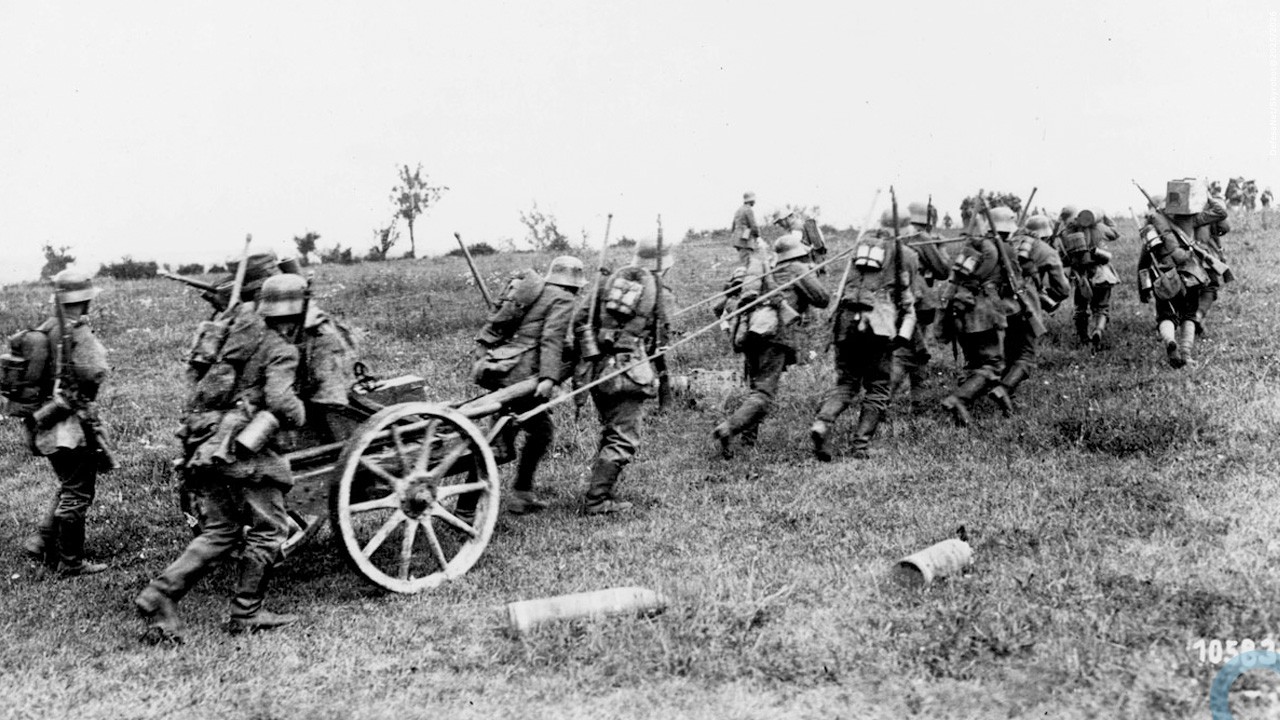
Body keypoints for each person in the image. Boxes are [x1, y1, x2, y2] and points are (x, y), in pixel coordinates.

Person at [135, 273, 310, 642]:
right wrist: (299, 413)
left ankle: (160, 594)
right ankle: (246, 613)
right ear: (297, 311)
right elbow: (280, 402)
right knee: (270, 529)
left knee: (221, 530)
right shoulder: (282, 349)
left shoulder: (233, 332)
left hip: (205, 442)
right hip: (246, 450)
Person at [14, 270, 112, 576]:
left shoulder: (46, 329)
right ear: (84, 301)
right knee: (79, 492)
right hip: (68, 425)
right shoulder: (76, 332)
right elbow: (95, 372)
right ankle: (70, 562)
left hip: (42, 422)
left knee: (69, 483)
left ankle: (42, 541)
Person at [470, 256, 583, 514]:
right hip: (522, 376)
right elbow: (550, 339)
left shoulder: (535, 291)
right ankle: (475, 506)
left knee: (513, 435)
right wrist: (548, 378)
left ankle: (520, 495)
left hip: (501, 368)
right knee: (524, 439)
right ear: (574, 284)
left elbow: (526, 334)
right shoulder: (564, 299)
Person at [572, 238, 672, 513]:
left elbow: (580, 321)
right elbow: (661, 336)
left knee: (611, 429)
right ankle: (597, 500)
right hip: (629, 373)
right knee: (624, 437)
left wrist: (595, 350)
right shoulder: (656, 287)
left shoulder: (606, 282)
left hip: (598, 370)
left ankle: (601, 489)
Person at [713, 233, 829, 458]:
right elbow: (823, 299)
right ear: (800, 253)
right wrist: (813, 274)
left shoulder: (766, 270)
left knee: (755, 389)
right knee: (764, 393)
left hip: (752, 332)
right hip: (775, 336)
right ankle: (729, 429)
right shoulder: (797, 269)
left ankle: (748, 441)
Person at [810, 222, 913, 460]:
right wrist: (902, 336)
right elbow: (908, 306)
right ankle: (860, 445)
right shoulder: (897, 260)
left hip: (846, 325)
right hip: (876, 329)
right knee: (878, 387)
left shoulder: (856, 260)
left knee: (846, 383)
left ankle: (822, 424)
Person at [939, 209, 1015, 427]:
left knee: (974, 362)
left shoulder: (969, 250)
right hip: (983, 311)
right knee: (993, 364)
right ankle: (958, 400)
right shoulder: (1000, 249)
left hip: (960, 309)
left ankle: (964, 414)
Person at [989, 214, 1070, 415]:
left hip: (996, 303)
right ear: (1046, 233)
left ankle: (1008, 400)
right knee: (1026, 355)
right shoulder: (1046, 250)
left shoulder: (1006, 243)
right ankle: (1004, 390)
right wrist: (1050, 297)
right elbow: (1063, 288)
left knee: (1008, 351)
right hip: (1024, 304)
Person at [891, 202, 950, 400]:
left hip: (892, 299)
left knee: (910, 349)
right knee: (914, 351)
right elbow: (942, 271)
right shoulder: (921, 237)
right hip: (918, 301)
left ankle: (918, 399)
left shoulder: (893, 235)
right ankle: (885, 399)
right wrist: (940, 248)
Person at [1058, 207, 1119, 349]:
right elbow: (1115, 233)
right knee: (1102, 308)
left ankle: (1084, 338)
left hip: (1081, 276)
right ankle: (1098, 330)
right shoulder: (1099, 227)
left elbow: (1062, 259)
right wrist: (1104, 215)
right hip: (1102, 273)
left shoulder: (1065, 233)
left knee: (1080, 308)